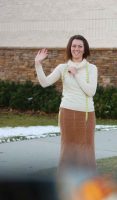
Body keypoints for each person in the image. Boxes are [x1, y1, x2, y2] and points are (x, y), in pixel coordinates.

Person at [34, 35, 98, 173]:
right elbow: (44, 83)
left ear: (84, 48)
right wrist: (38, 64)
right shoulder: (62, 68)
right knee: (67, 148)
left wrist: (76, 74)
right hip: (67, 112)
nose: (77, 48)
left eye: (80, 46)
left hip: (86, 115)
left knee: (86, 149)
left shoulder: (91, 68)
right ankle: (65, 183)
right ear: (70, 48)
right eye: (74, 46)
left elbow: (91, 91)